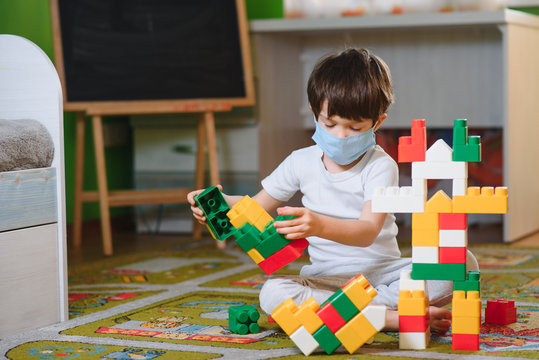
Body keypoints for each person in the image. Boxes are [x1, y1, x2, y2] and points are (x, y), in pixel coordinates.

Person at [188, 48, 478, 333]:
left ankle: (355, 315)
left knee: (462, 261)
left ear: (378, 122)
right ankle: (389, 317)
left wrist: (318, 225)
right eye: (330, 124)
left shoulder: (380, 165)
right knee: (272, 292)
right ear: (315, 114)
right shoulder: (299, 162)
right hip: (327, 279)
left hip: (383, 276)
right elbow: (255, 207)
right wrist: (219, 203)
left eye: (354, 127)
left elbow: (366, 231)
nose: (340, 135)